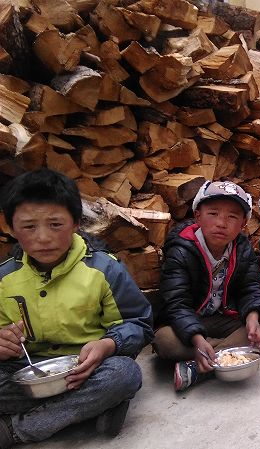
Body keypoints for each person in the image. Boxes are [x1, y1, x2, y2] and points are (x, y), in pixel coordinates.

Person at [0, 168, 154, 447]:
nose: (43, 237)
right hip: (27, 371)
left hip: (88, 369)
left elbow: (138, 324)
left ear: (76, 223)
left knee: (124, 375)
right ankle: (89, 408)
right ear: (11, 228)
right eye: (29, 226)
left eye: (55, 224)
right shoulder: (4, 278)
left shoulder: (105, 269)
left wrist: (107, 344)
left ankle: (15, 429)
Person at [153, 181, 260, 391]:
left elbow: (251, 287)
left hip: (224, 316)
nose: (221, 223)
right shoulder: (181, 249)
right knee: (163, 341)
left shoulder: (242, 247)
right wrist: (196, 339)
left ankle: (200, 367)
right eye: (213, 214)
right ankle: (245, 349)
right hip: (189, 319)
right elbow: (175, 302)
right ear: (197, 216)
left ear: (243, 223)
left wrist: (252, 319)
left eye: (232, 217)